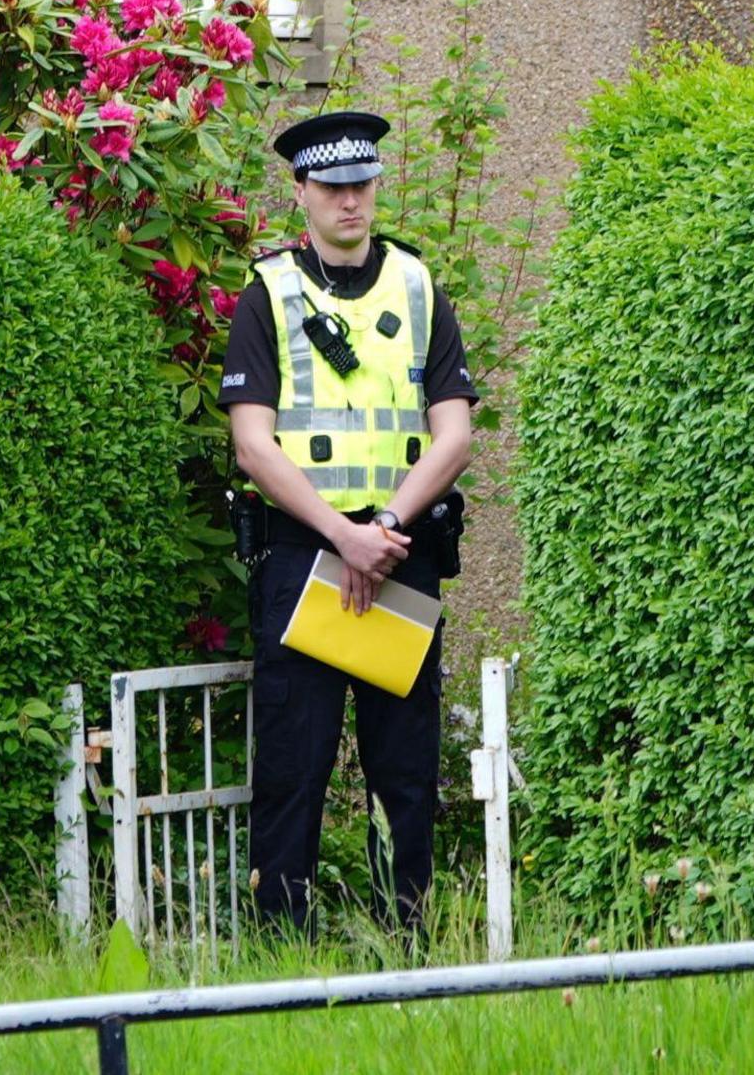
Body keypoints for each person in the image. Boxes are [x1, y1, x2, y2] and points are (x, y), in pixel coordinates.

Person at [219, 109, 478, 937]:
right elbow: (253, 447)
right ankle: (281, 952)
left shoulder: (417, 283)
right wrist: (344, 533)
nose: (350, 202)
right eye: (332, 187)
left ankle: (407, 940)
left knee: (404, 770)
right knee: (293, 768)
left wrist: (386, 527)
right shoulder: (268, 294)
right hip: (306, 561)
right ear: (301, 193)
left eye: (362, 184)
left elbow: (457, 433)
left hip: (399, 554)